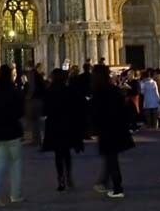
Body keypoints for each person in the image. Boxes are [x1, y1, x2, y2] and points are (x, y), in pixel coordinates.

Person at [91, 64, 134, 198]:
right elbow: (123, 106)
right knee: (111, 157)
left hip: (106, 128)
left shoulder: (98, 91)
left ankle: (117, 188)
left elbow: (96, 112)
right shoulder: (114, 89)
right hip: (116, 127)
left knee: (111, 158)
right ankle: (105, 183)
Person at [0, 64, 24, 207]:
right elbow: (21, 112)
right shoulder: (16, 92)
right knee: (15, 164)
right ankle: (15, 195)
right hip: (13, 132)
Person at [42, 69, 84, 191]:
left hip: (54, 125)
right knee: (66, 153)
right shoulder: (69, 90)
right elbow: (77, 106)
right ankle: (69, 175)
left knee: (58, 154)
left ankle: (60, 179)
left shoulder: (49, 91)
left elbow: (45, 110)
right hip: (67, 124)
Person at [24, 62, 47, 147]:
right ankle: (38, 139)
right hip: (40, 99)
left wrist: (28, 97)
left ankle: (36, 140)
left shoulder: (31, 74)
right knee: (37, 120)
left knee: (34, 120)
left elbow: (32, 86)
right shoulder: (38, 74)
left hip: (34, 100)